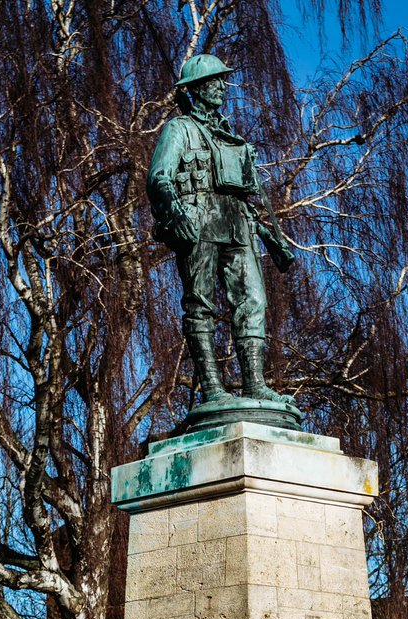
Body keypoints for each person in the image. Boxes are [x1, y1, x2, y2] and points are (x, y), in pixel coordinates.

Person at [147, 53, 301, 429]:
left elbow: (254, 197)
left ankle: (256, 384)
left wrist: (272, 238)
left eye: (221, 80)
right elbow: (159, 178)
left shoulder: (234, 138)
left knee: (254, 301)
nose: (221, 86)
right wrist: (177, 215)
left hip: (237, 223)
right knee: (200, 304)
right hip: (198, 220)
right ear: (197, 89)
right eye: (214, 81)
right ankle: (213, 389)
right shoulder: (179, 129)